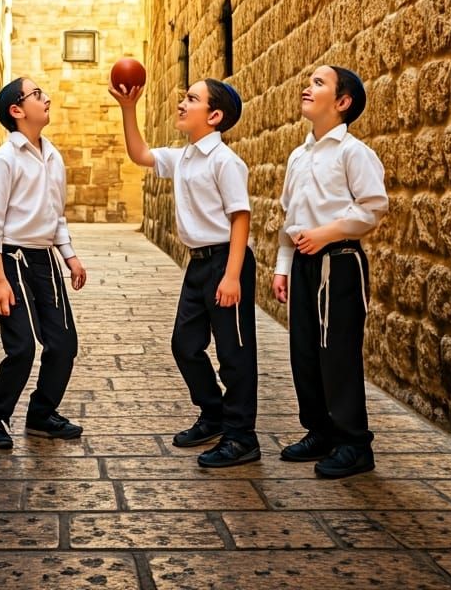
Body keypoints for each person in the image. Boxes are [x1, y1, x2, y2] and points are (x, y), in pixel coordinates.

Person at [110, 76, 259, 468]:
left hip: (228, 262)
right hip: (197, 264)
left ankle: (242, 437)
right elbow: (140, 153)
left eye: (191, 99)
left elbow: (240, 218)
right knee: (184, 344)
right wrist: (129, 108)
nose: (181, 103)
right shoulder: (185, 156)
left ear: (213, 115)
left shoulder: (226, 162)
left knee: (234, 353)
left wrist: (232, 275)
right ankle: (214, 414)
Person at [272, 65, 388, 479]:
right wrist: (283, 266)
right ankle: (319, 430)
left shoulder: (353, 153)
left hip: (339, 263)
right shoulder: (298, 156)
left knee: (337, 353)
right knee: (303, 351)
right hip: (304, 263)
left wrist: (326, 233)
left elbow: (373, 206)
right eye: (309, 81)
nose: (307, 87)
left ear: (342, 103)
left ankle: (354, 443)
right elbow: (289, 215)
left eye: (319, 83)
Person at [0, 77, 88, 450]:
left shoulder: (53, 156)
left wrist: (69, 257)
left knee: (63, 343)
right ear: (17, 110)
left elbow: (56, 216)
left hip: (45, 260)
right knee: (21, 347)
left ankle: (42, 413)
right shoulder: (3, 161)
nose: (47, 97)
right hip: (12, 259)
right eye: (38, 94)